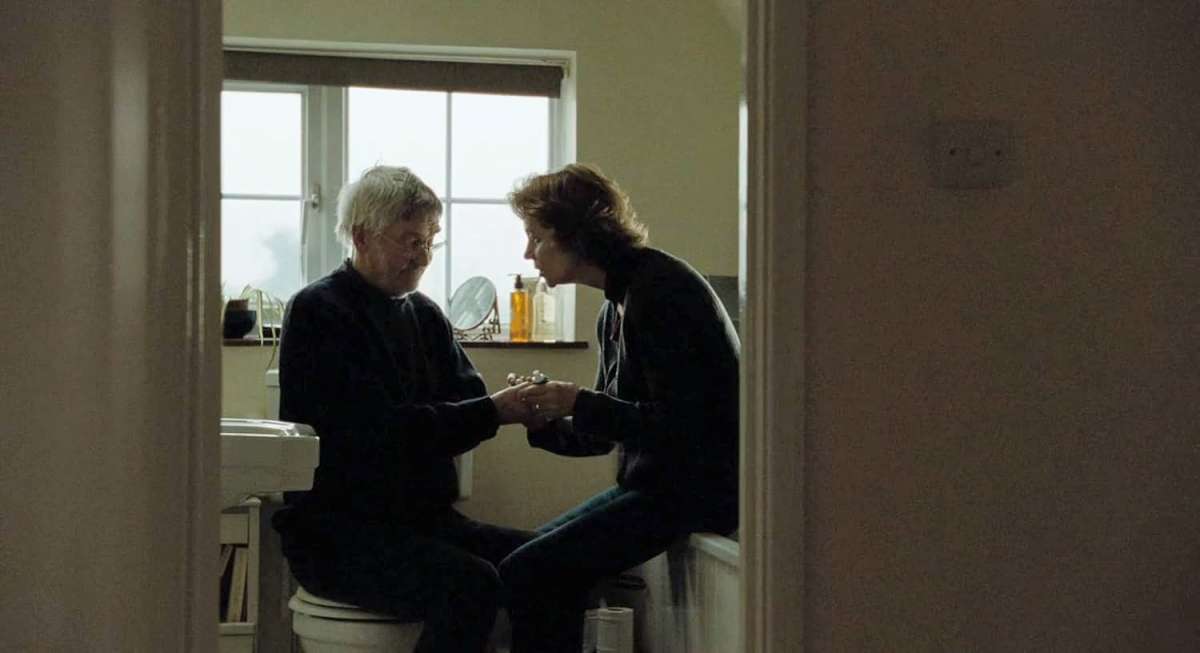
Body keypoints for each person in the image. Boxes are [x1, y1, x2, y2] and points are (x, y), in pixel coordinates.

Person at [271, 165, 535, 653]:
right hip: (336, 533)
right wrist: (492, 411)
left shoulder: (425, 314)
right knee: (470, 585)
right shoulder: (319, 311)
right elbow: (375, 433)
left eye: (430, 240)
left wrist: (499, 409)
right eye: (411, 240)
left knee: (543, 559)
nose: (423, 255)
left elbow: (467, 404)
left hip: (423, 523)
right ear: (361, 237)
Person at [499, 163, 740, 653]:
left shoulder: (661, 292)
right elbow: (602, 434)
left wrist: (578, 402)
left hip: (696, 491)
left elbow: (684, 425)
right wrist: (544, 420)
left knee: (530, 569)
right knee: (526, 556)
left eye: (536, 237)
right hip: (656, 487)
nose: (528, 253)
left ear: (575, 235)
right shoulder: (615, 307)